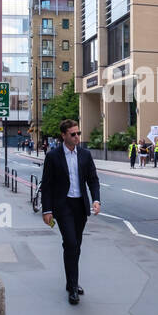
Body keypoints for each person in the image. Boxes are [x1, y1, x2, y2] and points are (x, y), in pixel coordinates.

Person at [40, 119, 102, 305]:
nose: (77, 137)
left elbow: (93, 179)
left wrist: (96, 200)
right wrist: (47, 210)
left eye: (78, 133)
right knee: (71, 243)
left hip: (80, 205)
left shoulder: (85, 154)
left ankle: (71, 281)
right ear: (64, 135)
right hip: (63, 205)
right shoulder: (53, 156)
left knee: (76, 245)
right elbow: (47, 185)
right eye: (73, 134)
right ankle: (73, 289)